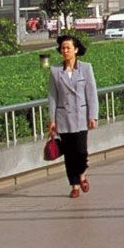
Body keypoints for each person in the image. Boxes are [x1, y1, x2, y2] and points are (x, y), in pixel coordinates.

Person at [47, 33, 99, 199]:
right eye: (63, 48)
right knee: (69, 154)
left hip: (81, 116)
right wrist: (52, 120)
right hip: (63, 117)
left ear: (76, 50)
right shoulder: (55, 71)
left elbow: (91, 93)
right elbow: (52, 97)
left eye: (68, 47)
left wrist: (93, 115)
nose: (65, 50)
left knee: (81, 151)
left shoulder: (85, 68)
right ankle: (75, 185)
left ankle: (82, 174)